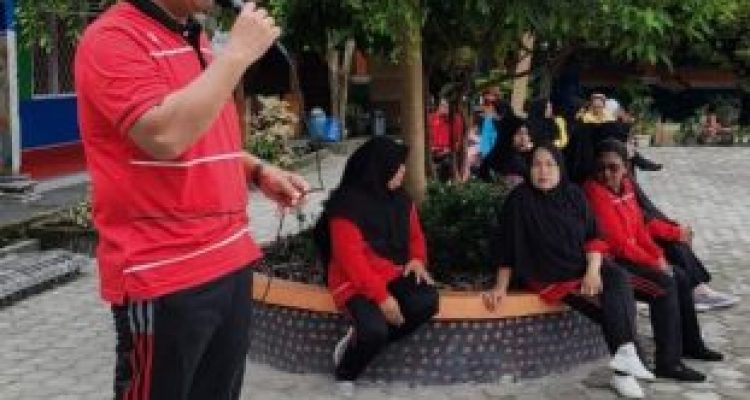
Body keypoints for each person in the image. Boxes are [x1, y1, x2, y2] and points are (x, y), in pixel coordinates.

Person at [74, 1, 309, 399]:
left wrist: (256, 170)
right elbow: (164, 135)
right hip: (165, 272)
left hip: (230, 260)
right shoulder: (112, 39)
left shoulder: (192, 37)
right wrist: (236, 54)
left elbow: (200, 129)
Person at [483, 144, 654, 398]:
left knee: (618, 279)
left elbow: (593, 236)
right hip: (549, 275)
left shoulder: (573, 194)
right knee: (610, 307)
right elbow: (506, 247)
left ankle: (626, 357)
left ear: (560, 168)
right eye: (536, 165)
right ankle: (625, 368)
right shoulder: (519, 201)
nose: (543, 171)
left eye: (549, 165)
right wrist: (500, 286)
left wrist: (593, 271)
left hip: (582, 265)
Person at [583, 139, 723, 381]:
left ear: (626, 167)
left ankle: (691, 344)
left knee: (680, 276)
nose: (606, 174)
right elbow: (618, 243)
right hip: (612, 263)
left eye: (613, 167)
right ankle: (668, 362)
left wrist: (658, 257)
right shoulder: (594, 192)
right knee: (665, 284)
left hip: (631, 256)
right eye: (601, 168)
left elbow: (639, 229)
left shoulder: (627, 187)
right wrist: (654, 263)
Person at [313, 137, 439, 397]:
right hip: (352, 280)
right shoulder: (346, 205)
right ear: (378, 168)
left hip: (392, 272)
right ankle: (346, 372)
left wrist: (417, 260)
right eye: (397, 166)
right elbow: (351, 261)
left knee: (426, 301)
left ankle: (359, 342)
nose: (403, 171)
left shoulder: (401, 200)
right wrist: (382, 298)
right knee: (374, 330)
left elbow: (416, 237)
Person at [477, 113, 534, 188]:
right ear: (507, 135)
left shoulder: (494, 155)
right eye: (519, 133)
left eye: (526, 133)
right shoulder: (511, 161)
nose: (524, 138)